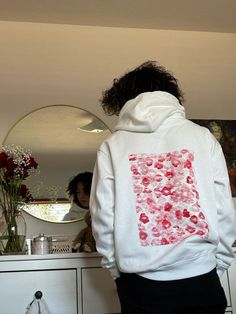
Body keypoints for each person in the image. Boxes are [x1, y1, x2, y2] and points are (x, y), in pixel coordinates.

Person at [89, 61, 236, 314]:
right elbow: (224, 207)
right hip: (202, 278)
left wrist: (117, 271)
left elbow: (103, 218)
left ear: (125, 100)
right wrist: (218, 264)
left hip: (140, 285)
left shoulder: (113, 145)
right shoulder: (201, 137)